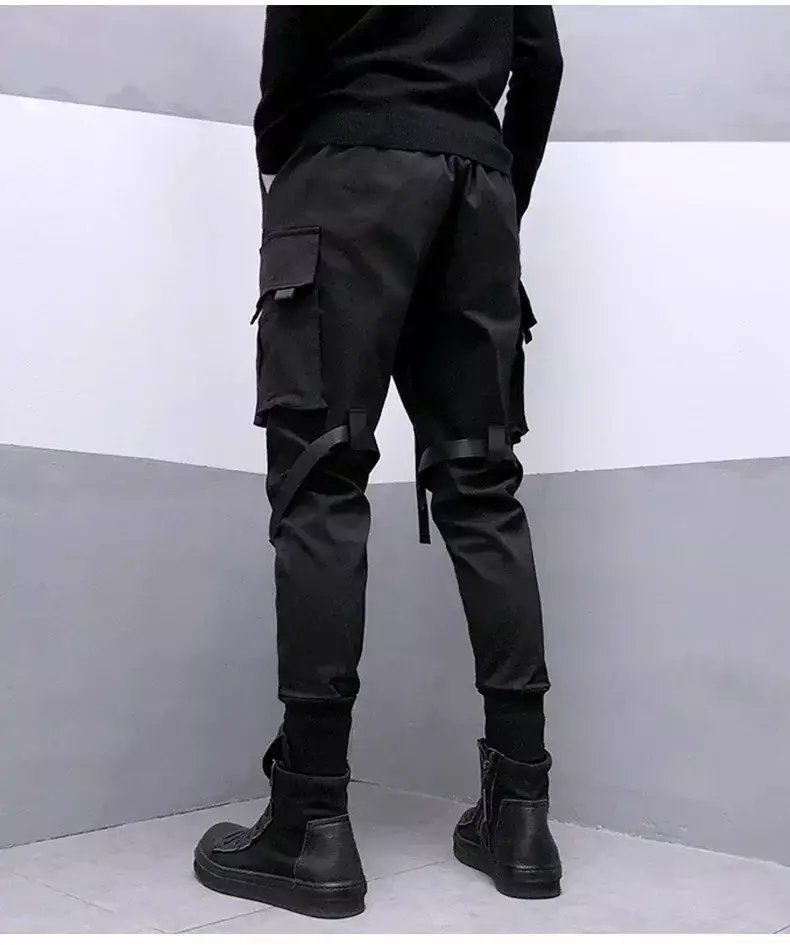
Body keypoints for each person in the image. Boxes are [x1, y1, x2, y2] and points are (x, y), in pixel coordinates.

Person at [193, 6, 564, 919]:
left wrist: (286, 164)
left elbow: (294, 45)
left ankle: (311, 823)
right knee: (483, 486)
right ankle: (522, 816)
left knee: (320, 479)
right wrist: (497, 182)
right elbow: (541, 58)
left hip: (348, 177)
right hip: (476, 191)